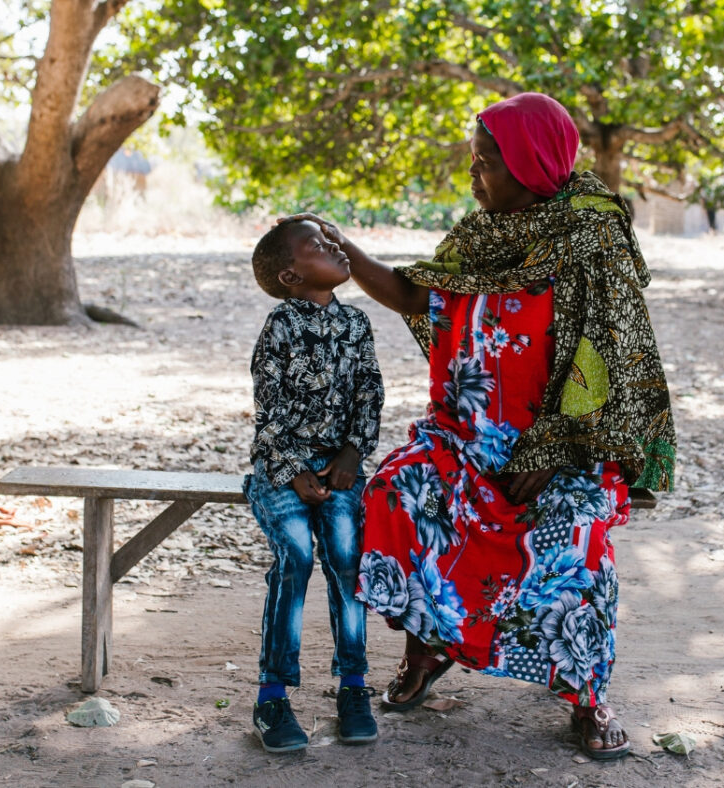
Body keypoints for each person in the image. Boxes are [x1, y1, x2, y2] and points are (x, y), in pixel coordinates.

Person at [284, 92, 676, 760]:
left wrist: (552, 450)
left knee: (573, 534)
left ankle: (585, 692)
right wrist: (347, 252)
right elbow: (418, 294)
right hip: (464, 437)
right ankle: (428, 650)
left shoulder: (590, 237)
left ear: (530, 162)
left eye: (487, 161)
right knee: (397, 496)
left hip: (562, 447)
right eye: (475, 159)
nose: (475, 174)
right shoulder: (479, 234)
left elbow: (612, 354)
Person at [243, 219, 386, 752]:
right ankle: (272, 696)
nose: (333, 247)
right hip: (282, 467)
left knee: (348, 559)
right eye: (316, 246)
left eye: (330, 240)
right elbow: (269, 412)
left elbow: (370, 394)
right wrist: (293, 471)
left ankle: (353, 687)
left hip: (340, 466)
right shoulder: (280, 325)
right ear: (291, 275)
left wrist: (352, 452)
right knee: (297, 558)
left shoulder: (357, 323)